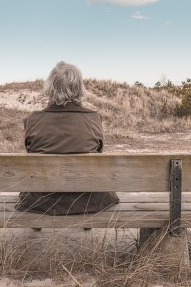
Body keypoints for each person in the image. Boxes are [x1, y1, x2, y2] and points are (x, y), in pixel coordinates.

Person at [15, 61, 119, 216]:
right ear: (79, 88)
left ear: (50, 88)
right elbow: (99, 154)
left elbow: (31, 153)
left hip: (42, 202)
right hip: (88, 200)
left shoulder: (32, 120)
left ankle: (37, 225)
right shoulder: (94, 119)